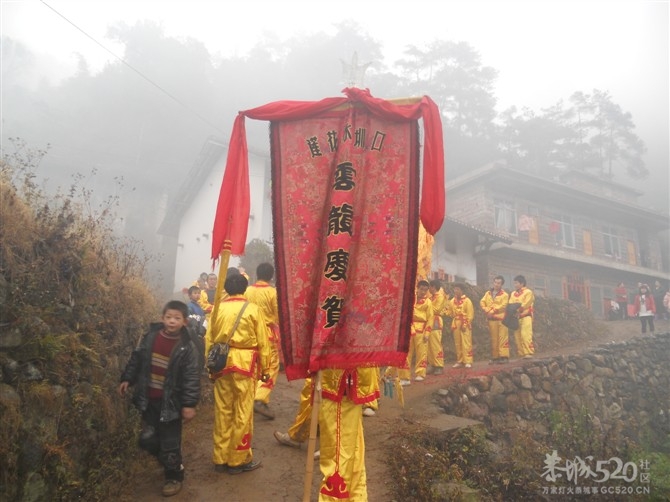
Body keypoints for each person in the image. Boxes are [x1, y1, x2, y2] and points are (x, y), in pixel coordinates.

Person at [118, 300, 201, 497]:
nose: (172, 321)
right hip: (149, 399)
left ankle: (173, 476)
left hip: (171, 403)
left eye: (177, 318)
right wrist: (127, 379)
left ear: (185, 322)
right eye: (168, 317)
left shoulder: (186, 347)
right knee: (147, 439)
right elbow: (137, 358)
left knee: (170, 441)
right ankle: (170, 461)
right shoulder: (151, 337)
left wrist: (189, 404)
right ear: (162, 318)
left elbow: (191, 377)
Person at [207, 273, 271, 474]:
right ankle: (238, 459)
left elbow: (209, 339)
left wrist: (210, 367)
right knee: (242, 412)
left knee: (223, 410)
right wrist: (266, 369)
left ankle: (220, 458)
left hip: (222, 363)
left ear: (226, 288)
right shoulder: (253, 310)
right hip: (245, 364)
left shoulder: (217, 310)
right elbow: (263, 341)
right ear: (244, 289)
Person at [318, 367, 379, 501]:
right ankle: (355, 497)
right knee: (352, 452)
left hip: (341, 385)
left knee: (340, 456)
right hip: (347, 384)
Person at [245, 262, 281, 420]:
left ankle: (253, 398)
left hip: (249, 332)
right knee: (271, 366)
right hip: (267, 333)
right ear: (271, 276)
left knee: (253, 365)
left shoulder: (247, 290)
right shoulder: (272, 292)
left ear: (257, 273)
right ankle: (259, 397)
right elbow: (278, 314)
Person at [398, 280, 433, 384]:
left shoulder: (428, 302)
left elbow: (430, 318)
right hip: (409, 328)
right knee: (406, 353)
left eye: (425, 290)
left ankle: (420, 373)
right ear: (417, 288)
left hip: (421, 330)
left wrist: (427, 333)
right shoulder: (410, 299)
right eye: (421, 289)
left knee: (421, 353)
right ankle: (404, 377)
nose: (423, 292)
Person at [480, 275, 510, 364]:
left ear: (502, 284)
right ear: (493, 282)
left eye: (499, 283)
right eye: (495, 282)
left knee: (503, 337)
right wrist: (487, 311)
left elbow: (504, 305)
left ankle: (504, 356)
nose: (496, 284)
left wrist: (492, 311)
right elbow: (482, 302)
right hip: (492, 319)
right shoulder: (487, 293)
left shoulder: (505, 295)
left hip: (502, 319)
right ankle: (495, 357)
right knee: (494, 338)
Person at [447, 283, 474, 368]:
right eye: (455, 289)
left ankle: (468, 360)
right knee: (457, 342)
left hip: (465, 322)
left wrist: (465, 324)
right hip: (456, 323)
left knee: (466, 342)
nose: (456, 291)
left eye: (458, 289)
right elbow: (450, 313)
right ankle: (459, 360)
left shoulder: (467, 301)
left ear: (462, 290)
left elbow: (470, 315)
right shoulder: (451, 301)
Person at [508, 275, 535, 359]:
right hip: (516, 317)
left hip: (526, 315)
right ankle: (521, 353)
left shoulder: (528, 292)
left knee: (525, 334)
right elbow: (510, 303)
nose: (515, 285)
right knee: (517, 335)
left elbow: (527, 303)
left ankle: (528, 352)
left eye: (516, 283)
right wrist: (512, 310)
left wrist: (519, 309)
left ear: (522, 283)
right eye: (514, 283)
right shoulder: (513, 293)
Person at [427, 279, 449, 375]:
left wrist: (426, 307)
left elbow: (436, 309)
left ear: (433, 287)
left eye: (430, 287)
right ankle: (432, 364)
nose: (429, 289)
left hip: (435, 320)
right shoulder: (432, 298)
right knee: (429, 345)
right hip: (429, 321)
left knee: (435, 343)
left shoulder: (440, 297)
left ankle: (439, 365)